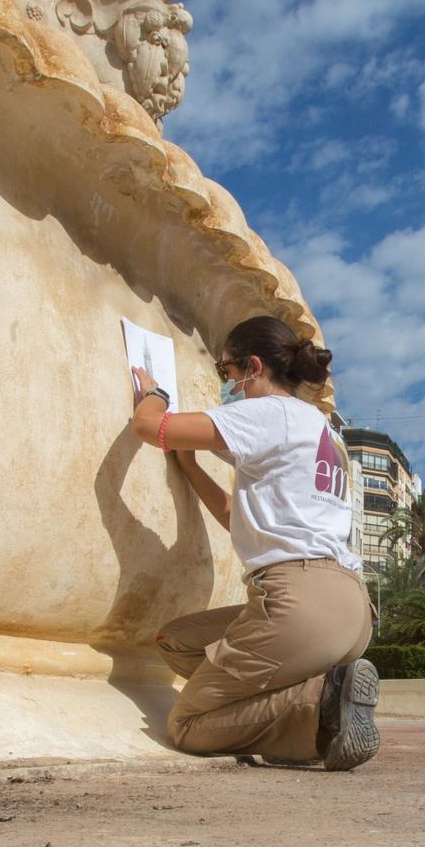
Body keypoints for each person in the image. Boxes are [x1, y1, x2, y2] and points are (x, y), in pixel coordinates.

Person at [128, 316, 380, 770]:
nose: (227, 384)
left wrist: (154, 395)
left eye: (225, 372)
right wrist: (190, 469)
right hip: (353, 611)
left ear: (253, 366)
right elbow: (239, 518)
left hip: (298, 605)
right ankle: (321, 694)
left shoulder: (269, 413)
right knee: (177, 642)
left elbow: (153, 429)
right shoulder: (323, 429)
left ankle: (317, 709)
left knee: (187, 722)